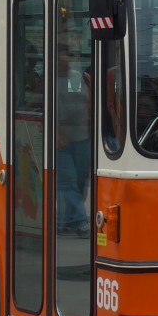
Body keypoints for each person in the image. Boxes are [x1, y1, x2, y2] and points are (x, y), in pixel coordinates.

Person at [55, 43, 91, 237]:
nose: (67, 63)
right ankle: (79, 221)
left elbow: (81, 102)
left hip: (81, 136)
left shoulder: (75, 78)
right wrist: (57, 133)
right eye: (63, 58)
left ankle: (63, 221)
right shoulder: (50, 80)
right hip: (61, 140)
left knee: (79, 182)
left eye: (69, 59)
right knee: (67, 182)